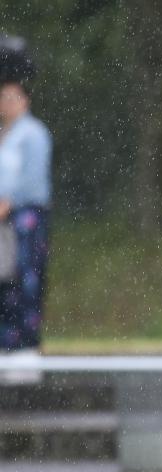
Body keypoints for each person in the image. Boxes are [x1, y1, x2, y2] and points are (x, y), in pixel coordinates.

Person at [0, 79, 52, 359]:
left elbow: (33, 178)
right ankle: (8, 341)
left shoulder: (32, 133)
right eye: (2, 98)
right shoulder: (5, 134)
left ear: (25, 100)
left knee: (26, 277)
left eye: (12, 98)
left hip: (25, 215)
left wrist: (9, 202)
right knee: (6, 279)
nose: (6, 104)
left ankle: (25, 344)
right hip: (5, 219)